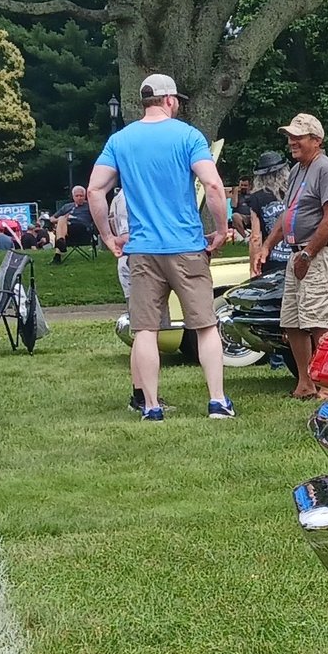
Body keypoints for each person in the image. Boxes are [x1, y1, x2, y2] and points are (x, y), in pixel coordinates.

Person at [89, 71, 234, 422]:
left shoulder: (121, 141)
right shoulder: (187, 136)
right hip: (185, 245)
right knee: (205, 325)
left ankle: (151, 407)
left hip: (142, 249)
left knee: (145, 330)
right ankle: (217, 402)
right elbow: (212, 186)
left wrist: (109, 237)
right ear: (170, 100)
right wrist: (221, 229)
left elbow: (95, 190)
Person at [274, 113, 328, 400]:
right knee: (292, 321)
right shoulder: (297, 171)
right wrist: (267, 246)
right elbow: (288, 215)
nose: (292, 142)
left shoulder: (327, 169)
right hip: (299, 254)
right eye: (290, 136)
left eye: (298, 137)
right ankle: (305, 383)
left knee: (318, 321)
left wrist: (307, 253)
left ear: (316, 141)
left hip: (319, 254)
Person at [242, 150, 288, 274]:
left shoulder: (256, 198)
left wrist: (253, 268)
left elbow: (255, 238)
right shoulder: (295, 193)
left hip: (271, 260)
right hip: (297, 257)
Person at [50, 185, 97, 261]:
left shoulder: (89, 206)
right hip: (67, 228)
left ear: (84, 196)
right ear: (73, 196)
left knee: (61, 221)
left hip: (82, 228)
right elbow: (52, 218)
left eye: (81, 196)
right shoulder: (67, 206)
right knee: (62, 219)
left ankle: (59, 250)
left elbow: (96, 218)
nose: (79, 198)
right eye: (77, 196)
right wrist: (60, 219)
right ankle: (61, 242)